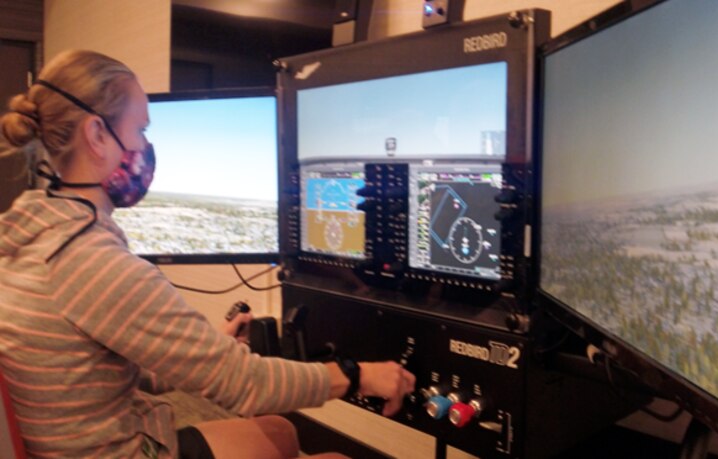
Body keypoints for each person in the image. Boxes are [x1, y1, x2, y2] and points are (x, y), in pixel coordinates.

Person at [0, 49, 416, 459]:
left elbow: (100, 368)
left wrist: (201, 349)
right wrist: (360, 375)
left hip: (72, 441)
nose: (145, 146)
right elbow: (247, 385)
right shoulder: (92, 262)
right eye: (141, 129)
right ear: (96, 134)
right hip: (118, 449)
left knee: (281, 432)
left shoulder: (31, 234)